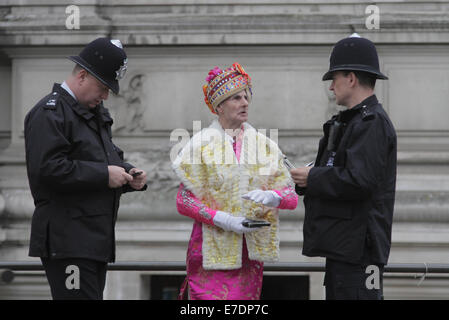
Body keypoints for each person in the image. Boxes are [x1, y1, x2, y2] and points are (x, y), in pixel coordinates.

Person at [24, 38, 148, 300]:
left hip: (90, 241)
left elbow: (102, 156)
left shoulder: (89, 111)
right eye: (103, 87)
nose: (105, 96)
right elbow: (48, 169)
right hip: (69, 241)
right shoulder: (51, 112)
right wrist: (105, 175)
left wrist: (127, 174)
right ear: (82, 76)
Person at [172, 63, 298, 300]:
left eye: (246, 97)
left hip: (249, 256)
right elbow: (184, 200)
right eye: (236, 98)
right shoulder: (200, 146)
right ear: (219, 106)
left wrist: (274, 197)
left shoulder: (264, 146)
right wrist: (226, 220)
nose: (245, 103)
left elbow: (291, 198)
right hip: (209, 255)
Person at [290, 34, 397, 300]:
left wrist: (312, 177)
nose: (330, 87)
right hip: (346, 250)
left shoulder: (371, 123)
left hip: (359, 254)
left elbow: (359, 180)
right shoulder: (353, 121)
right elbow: (340, 170)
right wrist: (308, 178)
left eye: (334, 78)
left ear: (350, 78)